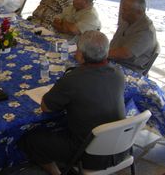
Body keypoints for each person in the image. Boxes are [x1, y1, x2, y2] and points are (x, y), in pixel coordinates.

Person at [18, 30, 126, 175]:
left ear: (81, 55)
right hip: (120, 146)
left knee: (31, 139)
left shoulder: (73, 78)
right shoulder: (118, 72)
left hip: (88, 153)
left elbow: (46, 107)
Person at [109, 0, 158, 74]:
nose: (121, 12)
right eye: (122, 8)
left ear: (139, 12)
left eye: (125, 10)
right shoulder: (127, 21)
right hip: (114, 61)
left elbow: (125, 53)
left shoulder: (146, 31)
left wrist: (101, 54)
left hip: (129, 69)